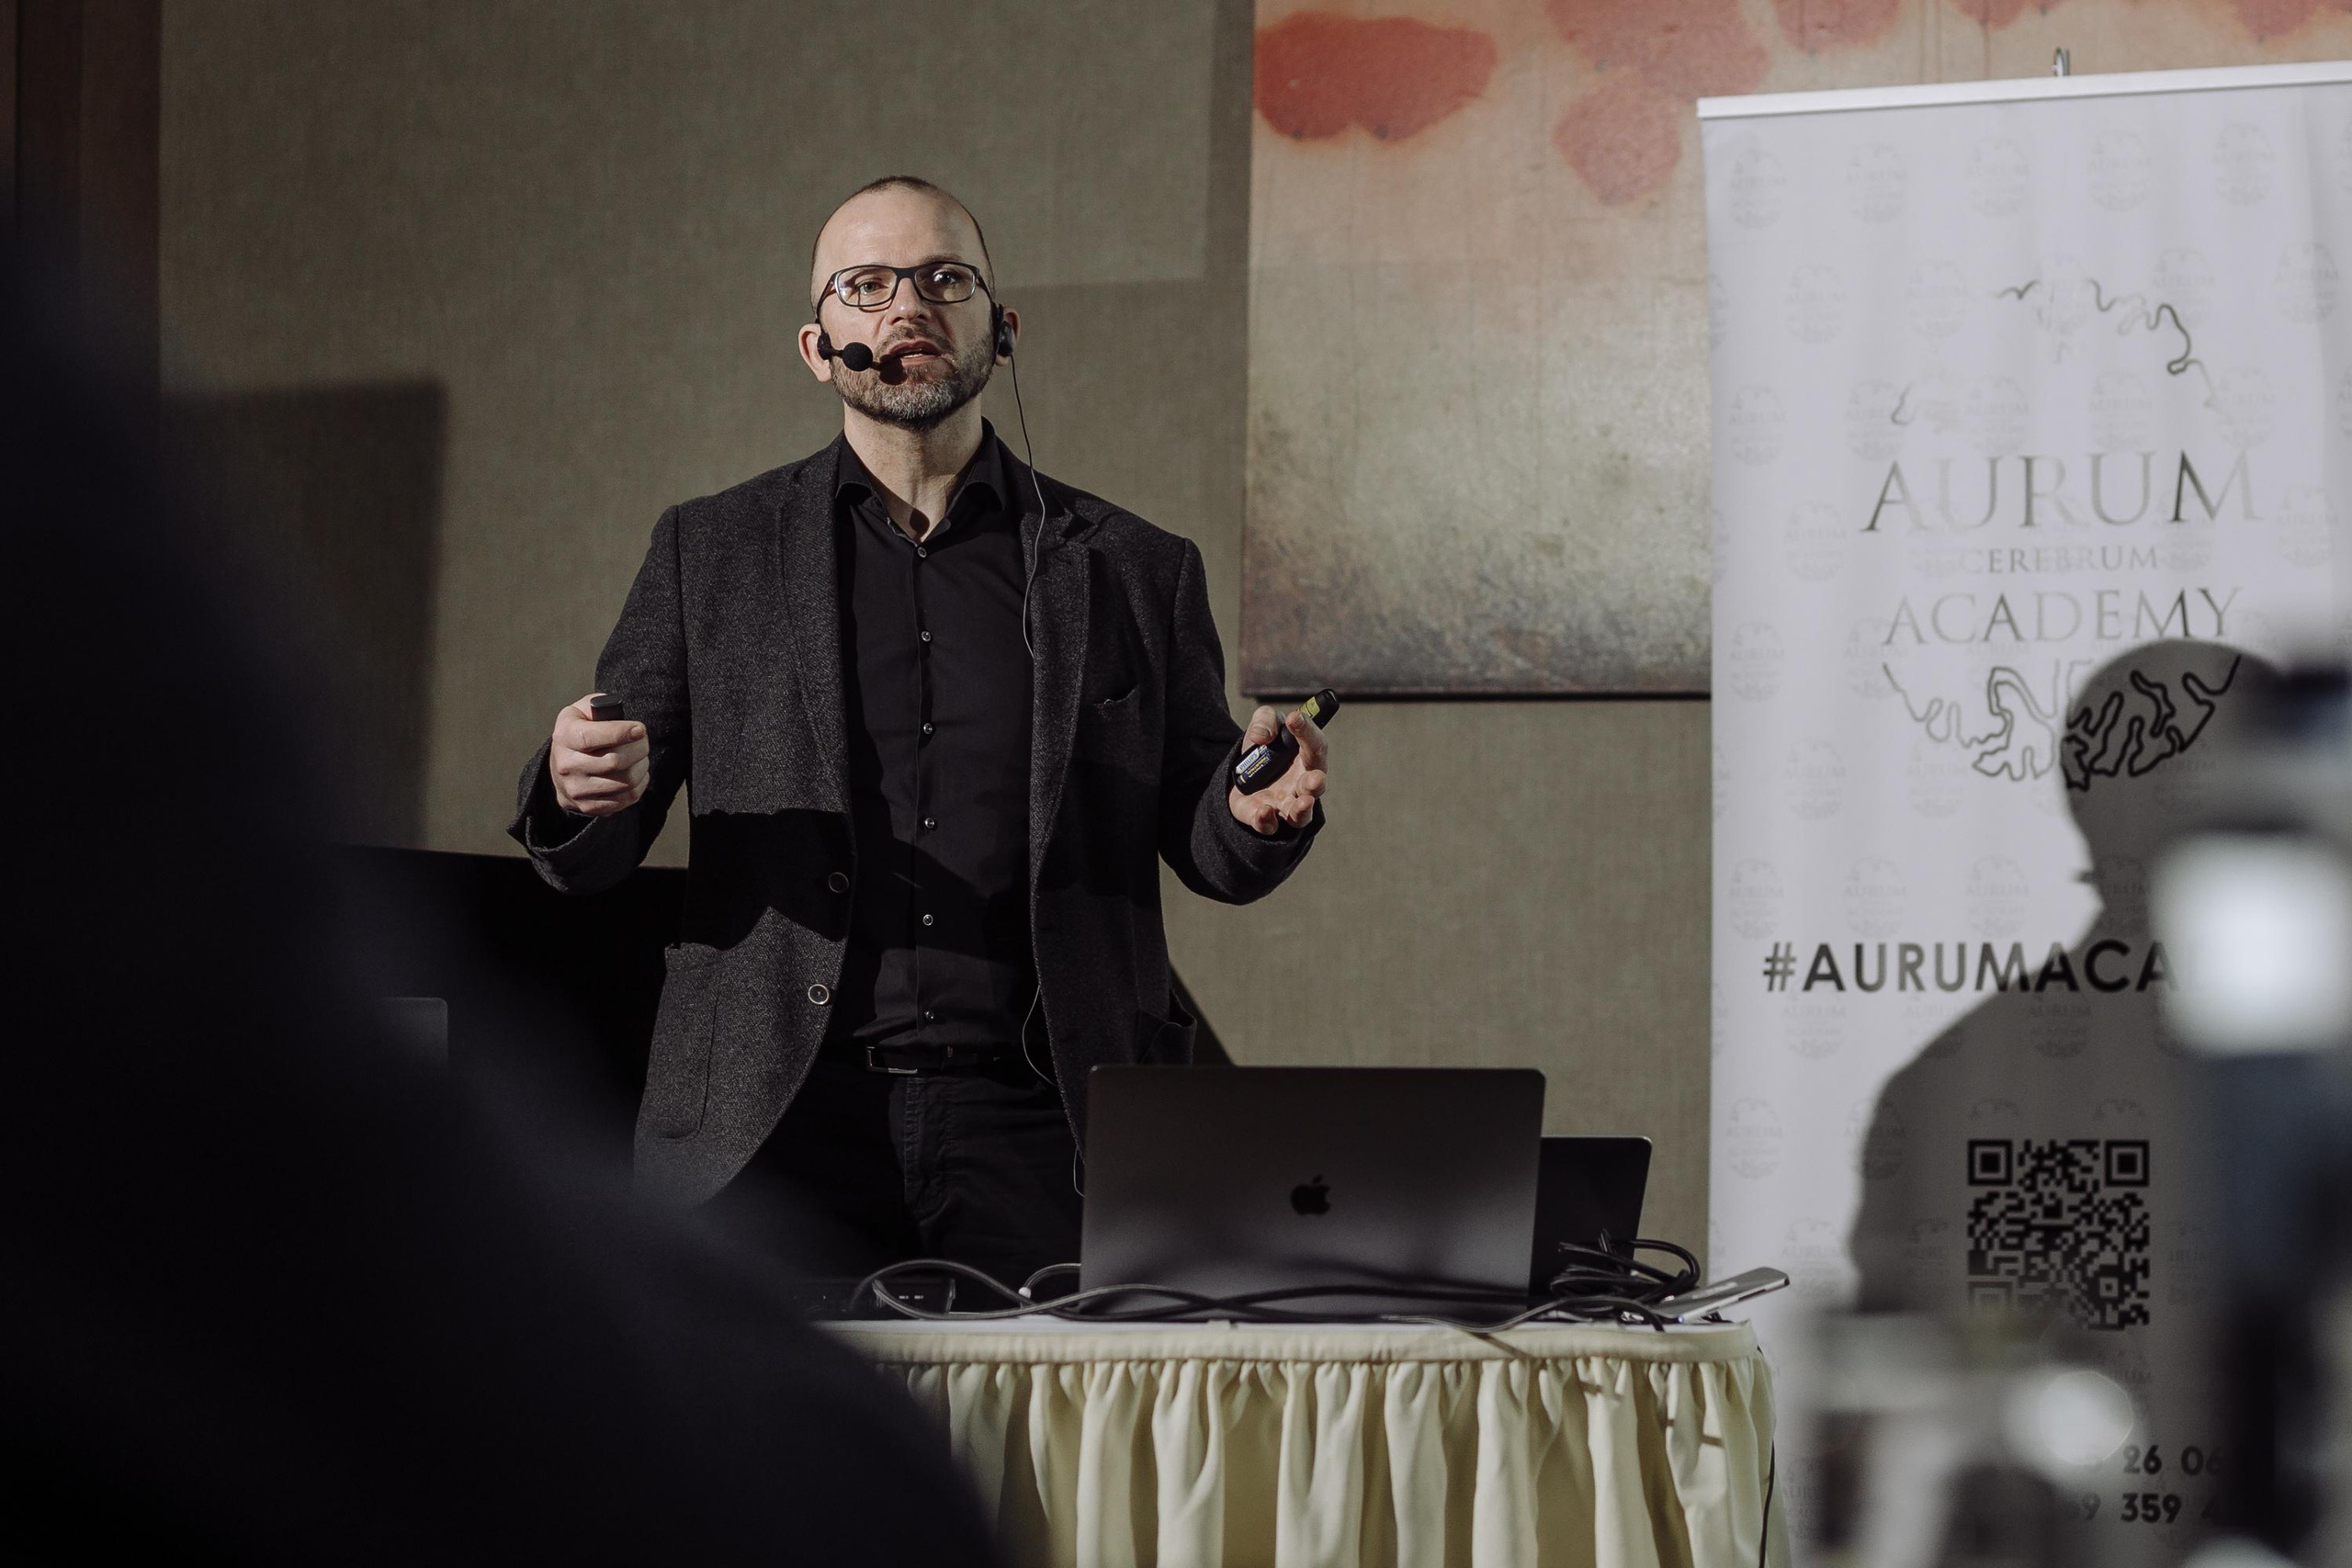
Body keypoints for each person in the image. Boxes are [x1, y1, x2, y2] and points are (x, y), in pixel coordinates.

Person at [510, 175, 1330, 1283]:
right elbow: (594, 847)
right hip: (777, 1121)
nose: (908, 306)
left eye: (947, 279)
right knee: (766, 1457)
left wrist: (1253, 814)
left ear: (1003, 329)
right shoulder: (712, 553)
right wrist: (575, 786)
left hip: (1048, 1121)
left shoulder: (1137, 569)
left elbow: (1208, 843)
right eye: (867, 284)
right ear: (818, 345)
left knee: (1053, 1459)